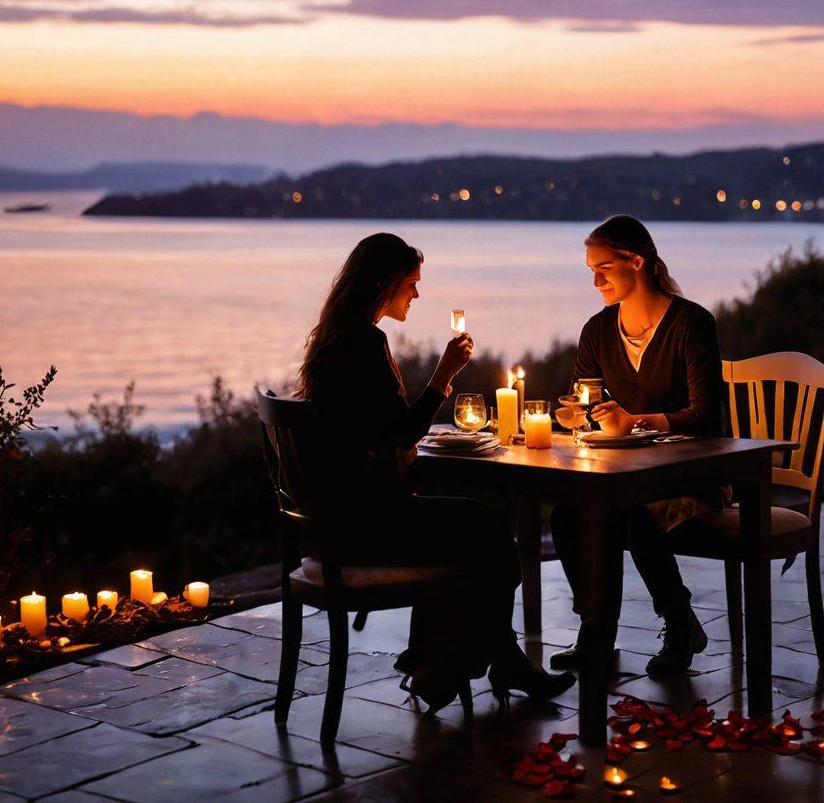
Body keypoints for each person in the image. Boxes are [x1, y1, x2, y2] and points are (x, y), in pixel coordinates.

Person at [299, 232, 573, 710]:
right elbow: (403, 432)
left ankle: (440, 659)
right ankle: (456, 663)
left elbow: (377, 432)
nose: (417, 294)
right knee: (489, 533)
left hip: (335, 523)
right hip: (364, 529)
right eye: (411, 284)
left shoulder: (335, 339)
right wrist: (444, 375)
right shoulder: (363, 342)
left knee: (477, 529)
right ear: (384, 283)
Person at [549, 215, 726, 678]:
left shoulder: (692, 323)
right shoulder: (597, 331)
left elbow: (706, 417)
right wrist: (578, 415)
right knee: (567, 515)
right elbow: (585, 402)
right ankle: (595, 634)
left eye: (604, 268)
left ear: (637, 261)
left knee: (632, 514)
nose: (596, 281)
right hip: (627, 477)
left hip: (692, 475)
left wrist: (635, 422)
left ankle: (679, 622)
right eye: (591, 270)